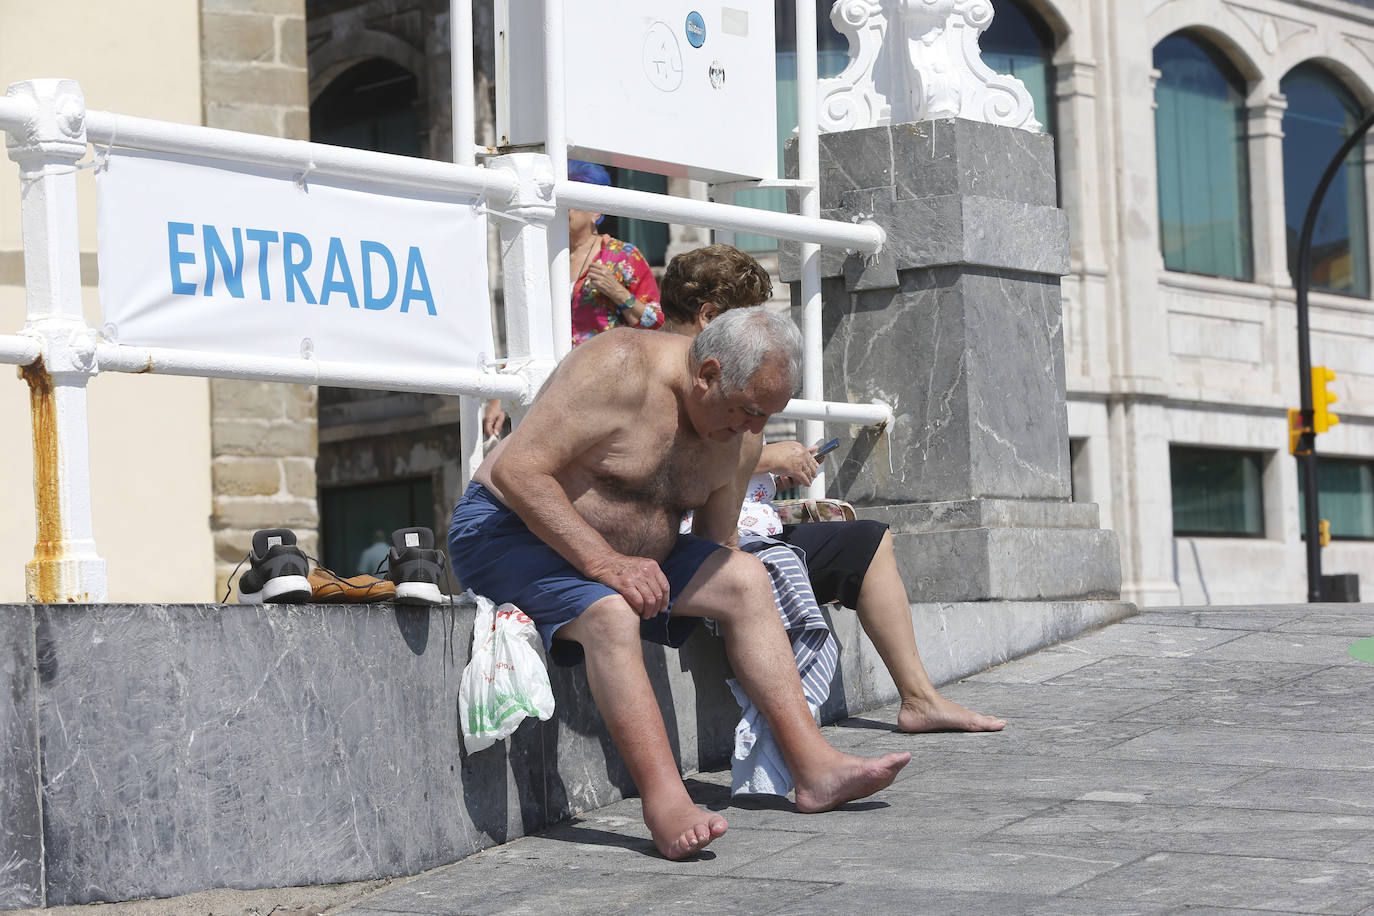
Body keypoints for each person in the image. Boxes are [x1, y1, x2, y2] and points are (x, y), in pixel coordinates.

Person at [449, 307, 910, 860]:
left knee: (743, 578)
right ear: (707, 374)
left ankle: (813, 766)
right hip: (510, 530)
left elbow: (719, 546)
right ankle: (665, 800)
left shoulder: (736, 436)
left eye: (767, 416)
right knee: (610, 612)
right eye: (745, 411)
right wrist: (604, 562)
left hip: (632, 554)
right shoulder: (617, 367)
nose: (754, 432)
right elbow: (517, 471)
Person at [659, 244, 1005, 735]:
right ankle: (798, 738)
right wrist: (771, 456)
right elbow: (674, 463)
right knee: (771, 568)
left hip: (743, 526)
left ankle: (919, 698)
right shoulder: (670, 375)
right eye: (750, 323)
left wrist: (762, 470)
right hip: (699, 542)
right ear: (710, 317)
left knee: (867, 541)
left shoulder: (710, 371)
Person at [480, 159, 663, 438]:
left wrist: (619, 294)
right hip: (553, 391)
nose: (564, 208)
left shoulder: (623, 257)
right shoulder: (542, 258)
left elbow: (657, 324)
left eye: (573, 200)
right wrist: (500, 396)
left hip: (609, 390)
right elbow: (525, 329)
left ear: (597, 211)